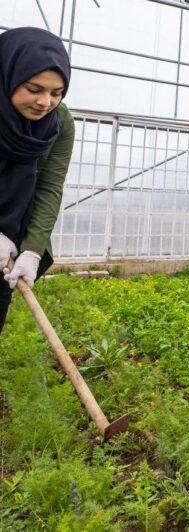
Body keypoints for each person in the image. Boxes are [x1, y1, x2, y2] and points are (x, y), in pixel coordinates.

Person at [0, 27, 74, 333]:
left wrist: (31, 249)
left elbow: (49, 187)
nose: (45, 102)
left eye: (56, 93)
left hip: (9, 242)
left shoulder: (59, 123)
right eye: (34, 89)